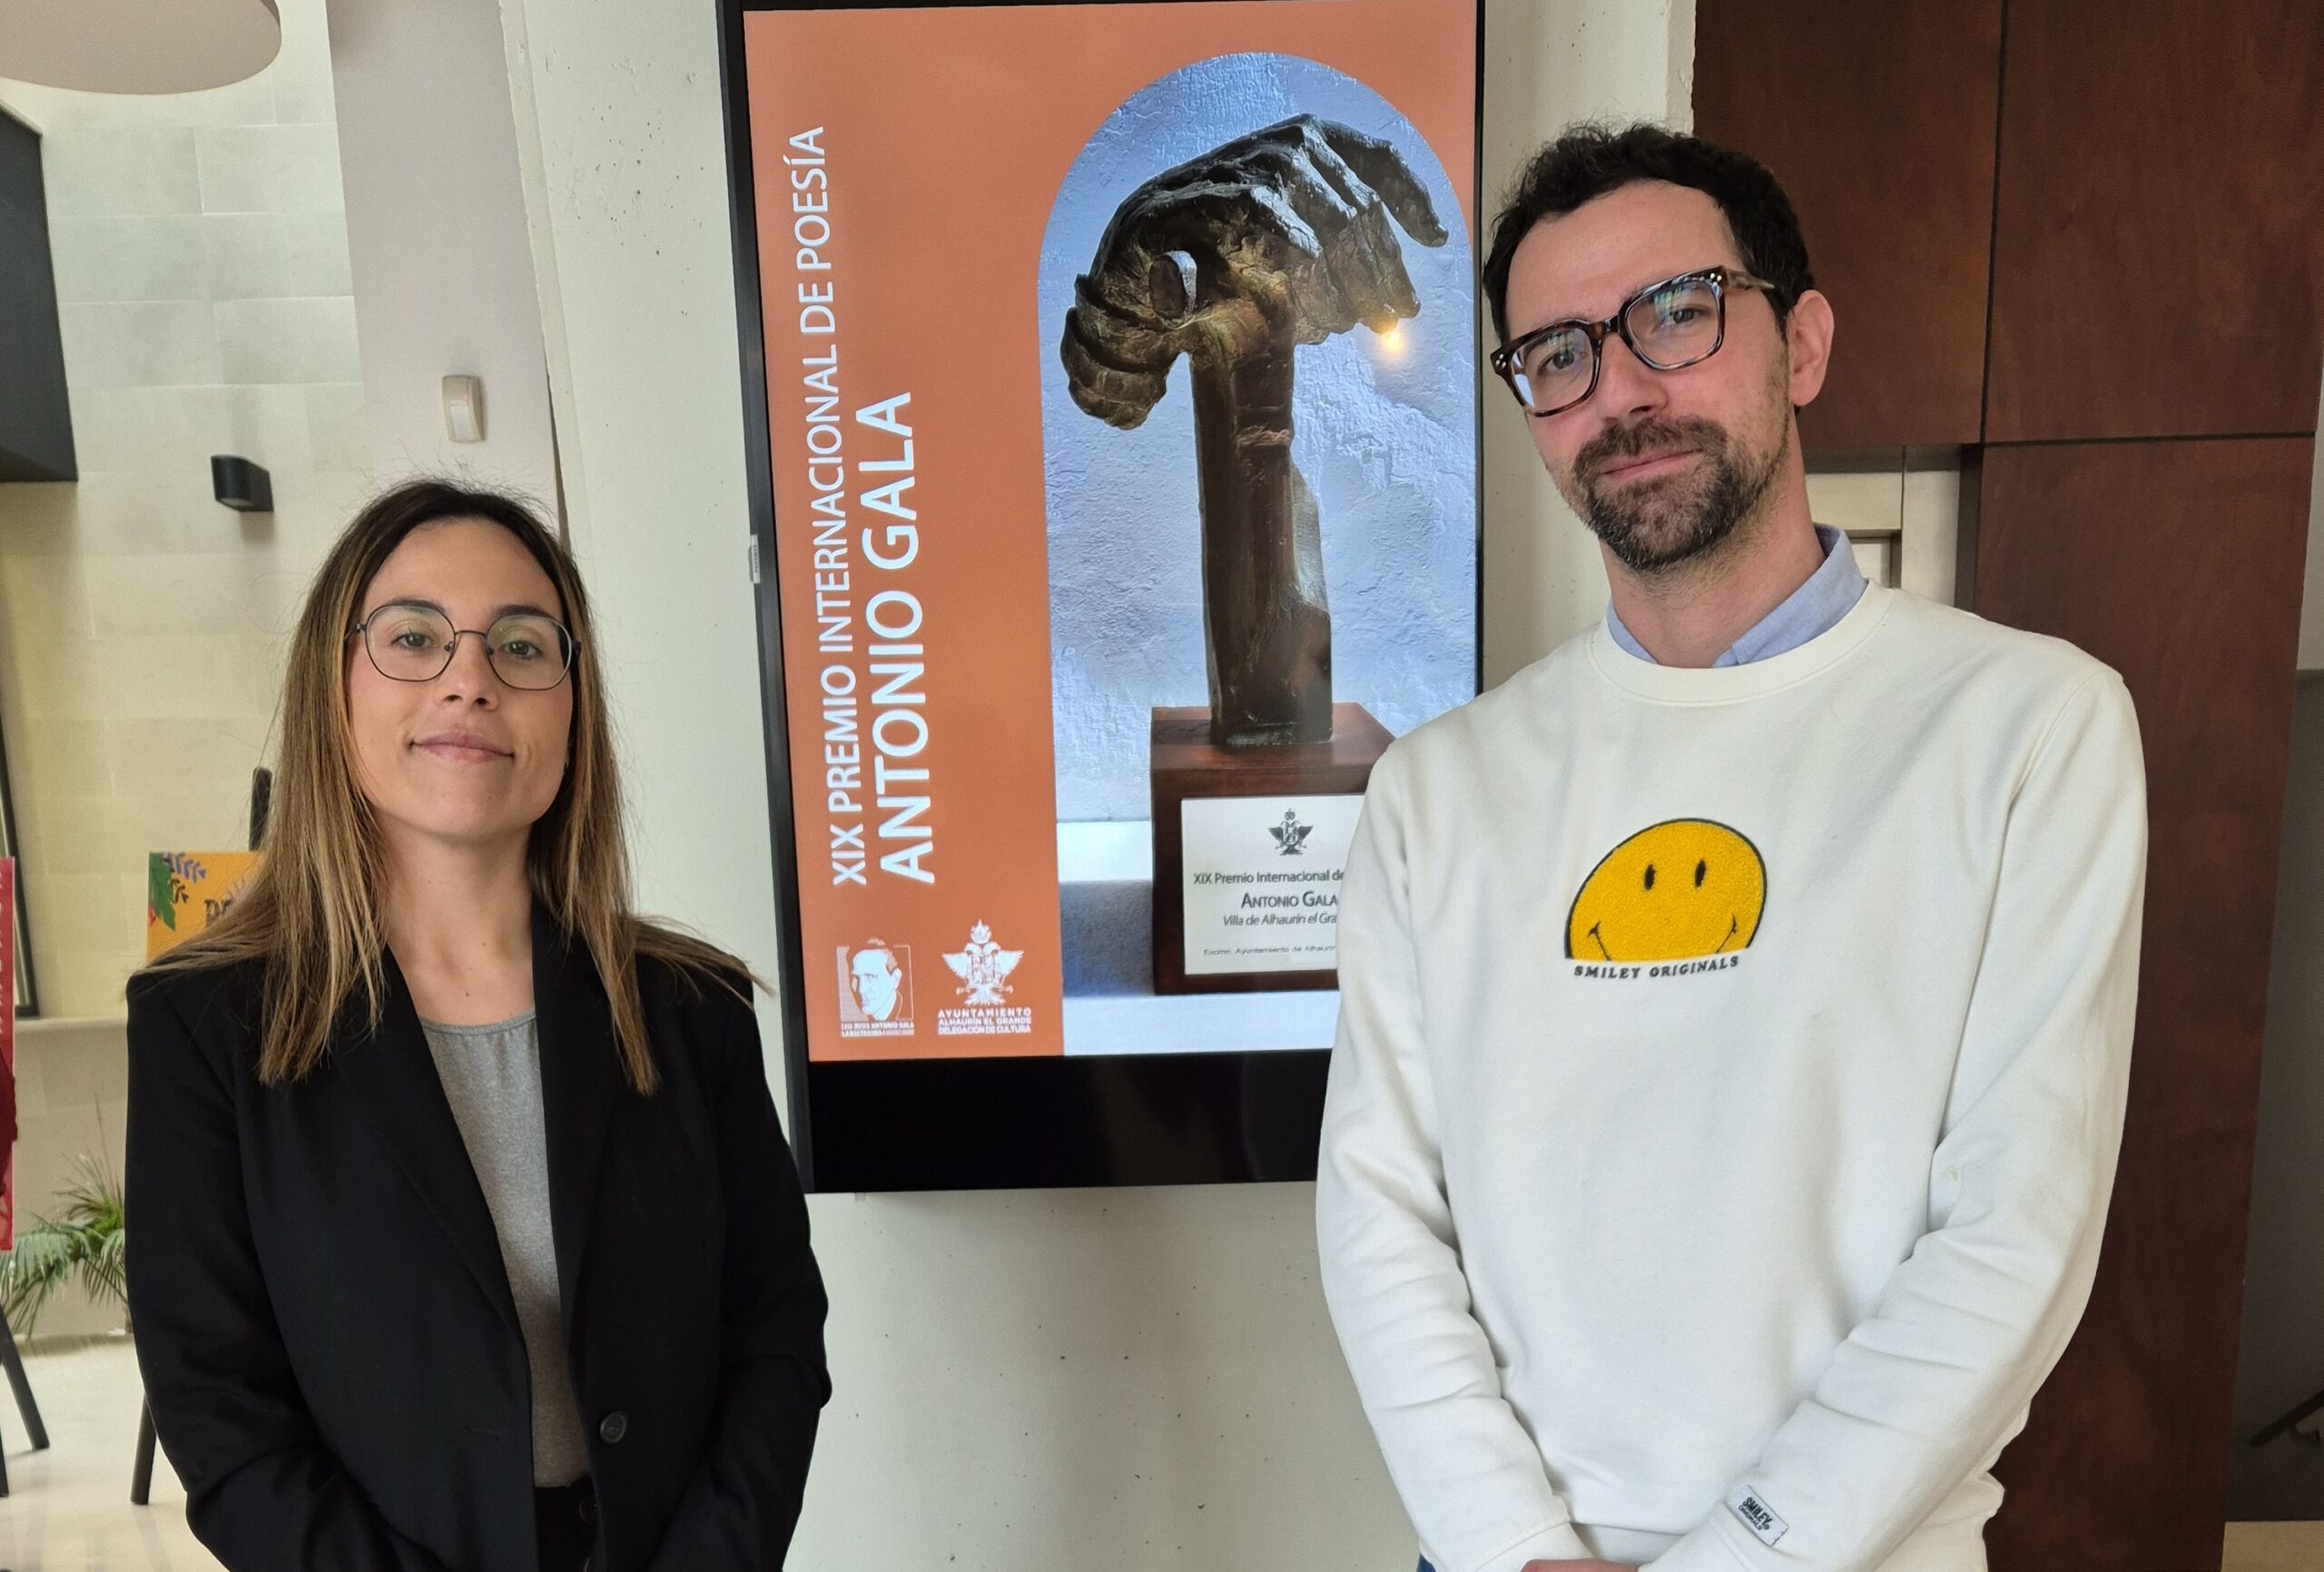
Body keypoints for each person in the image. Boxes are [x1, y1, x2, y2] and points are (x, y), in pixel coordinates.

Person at [1316, 123, 2147, 1572]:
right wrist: (1516, 1544)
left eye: (1677, 313)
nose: (1621, 390)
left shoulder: (2027, 727)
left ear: (1801, 343)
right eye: (1558, 355)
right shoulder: (1438, 791)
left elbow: (2018, 1231)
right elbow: (1378, 1212)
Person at [124, 480, 828, 1572]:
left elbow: (774, 1338)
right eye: (414, 637)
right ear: (332, 688)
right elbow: (223, 1414)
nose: (470, 679)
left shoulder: (692, 1008)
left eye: (521, 645)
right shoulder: (204, 1025)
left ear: (572, 711)